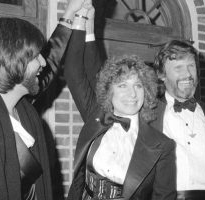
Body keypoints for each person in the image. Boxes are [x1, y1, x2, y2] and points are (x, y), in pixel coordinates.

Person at [0, 0, 86, 199]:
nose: (43, 61)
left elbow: (51, 60)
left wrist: (70, 12)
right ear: (13, 62)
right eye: (36, 56)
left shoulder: (20, 106)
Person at [63, 3, 176, 200]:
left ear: (147, 91)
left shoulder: (162, 146)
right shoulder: (97, 117)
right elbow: (74, 72)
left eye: (138, 85)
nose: (132, 93)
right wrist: (82, 22)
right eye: (123, 85)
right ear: (109, 91)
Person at [150, 40, 205, 200]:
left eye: (191, 66)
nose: (187, 74)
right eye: (178, 67)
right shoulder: (148, 116)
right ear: (161, 75)